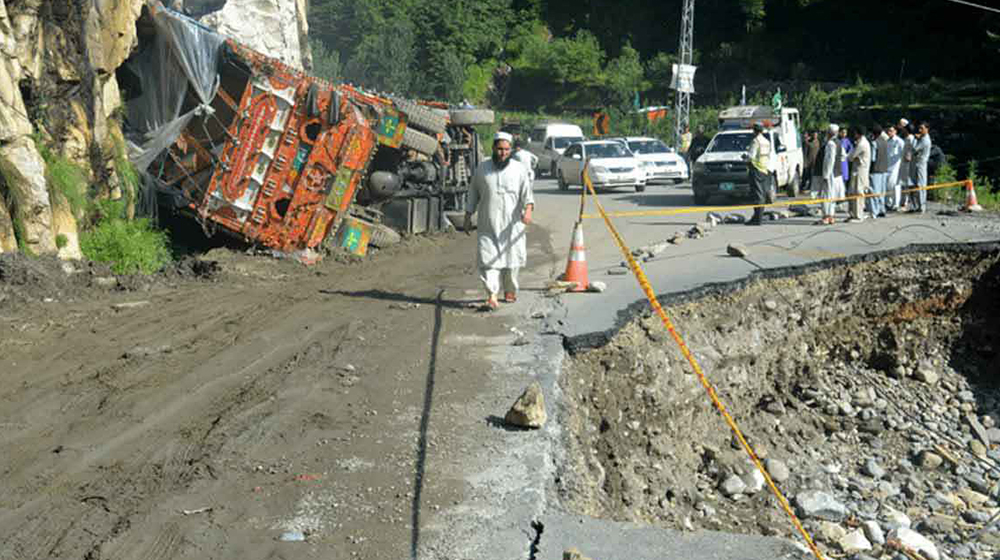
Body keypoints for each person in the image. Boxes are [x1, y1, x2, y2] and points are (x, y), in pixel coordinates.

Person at [464, 132, 535, 310]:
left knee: (512, 262)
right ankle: (492, 295)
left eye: (506, 149)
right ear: (493, 148)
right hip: (488, 223)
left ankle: (510, 290)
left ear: (510, 150)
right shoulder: (482, 169)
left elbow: (527, 194)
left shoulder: (519, 169)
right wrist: (467, 215)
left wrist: (528, 211)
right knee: (488, 261)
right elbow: (473, 193)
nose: (503, 153)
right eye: (499, 149)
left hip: (512, 225)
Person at [817, 124, 845, 225]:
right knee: (832, 195)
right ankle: (831, 216)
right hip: (837, 173)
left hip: (831, 174)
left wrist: (826, 175)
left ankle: (826, 217)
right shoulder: (839, 142)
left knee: (826, 195)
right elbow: (843, 156)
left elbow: (829, 160)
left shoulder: (830, 144)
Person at [746, 122, 772, 226]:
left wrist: (745, 157)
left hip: (756, 169)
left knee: (756, 194)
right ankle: (758, 217)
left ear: (755, 131)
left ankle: (757, 219)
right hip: (764, 169)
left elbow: (751, 156)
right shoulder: (766, 141)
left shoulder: (755, 141)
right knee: (761, 194)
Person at [846, 126, 871, 223]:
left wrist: (849, 155)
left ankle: (859, 215)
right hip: (856, 170)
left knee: (858, 192)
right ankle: (853, 214)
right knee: (852, 192)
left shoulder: (862, 144)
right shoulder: (859, 142)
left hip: (861, 171)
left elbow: (851, 157)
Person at [910, 122, 932, 213]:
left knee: (921, 185)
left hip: (921, 164)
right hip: (917, 163)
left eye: (922, 128)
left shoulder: (925, 140)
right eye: (919, 128)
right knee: (915, 185)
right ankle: (917, 206)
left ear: (927, 129)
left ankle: (922, 207)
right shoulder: (922, 138)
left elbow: (914, 149)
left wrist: (915, 139)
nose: (919, 130)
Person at [870, 124, 889, 218]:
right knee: (882, 191)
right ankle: (882, 209)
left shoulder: (874, 143)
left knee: (874, 192)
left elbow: (872, 159)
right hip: (884, 169)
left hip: (876, 169)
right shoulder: (886, 142)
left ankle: (875, 211)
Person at [886, 125, 904, 211]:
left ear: (895, 131)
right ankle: (889, 203)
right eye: (888, 131)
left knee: (895, 185)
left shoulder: (899, 141)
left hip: (896, 167)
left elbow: (904, 153)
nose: (889, 132)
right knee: (888, 185)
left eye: (891, 131)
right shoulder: (887, 141)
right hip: (888, 166)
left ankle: (896, 204)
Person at [899, 125, 915, 211]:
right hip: (904, 162)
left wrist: (908, 156)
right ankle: (903, 201)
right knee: (904, 183)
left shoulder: (910, 139)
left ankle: (906, 202)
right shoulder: (907, 138)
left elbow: (911, 150)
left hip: (907, 163)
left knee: (907, 183)